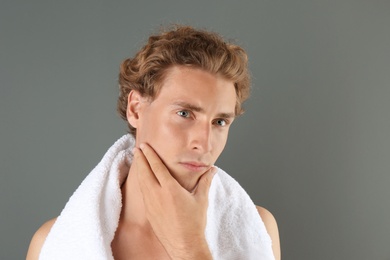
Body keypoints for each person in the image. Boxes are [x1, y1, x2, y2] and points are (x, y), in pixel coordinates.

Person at [27, 25, 280, 259]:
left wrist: (189, 246)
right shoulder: (51, 244)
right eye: (184, 114)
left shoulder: (258, 228)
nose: (204, 144)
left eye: (219, 122)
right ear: (136, 109)